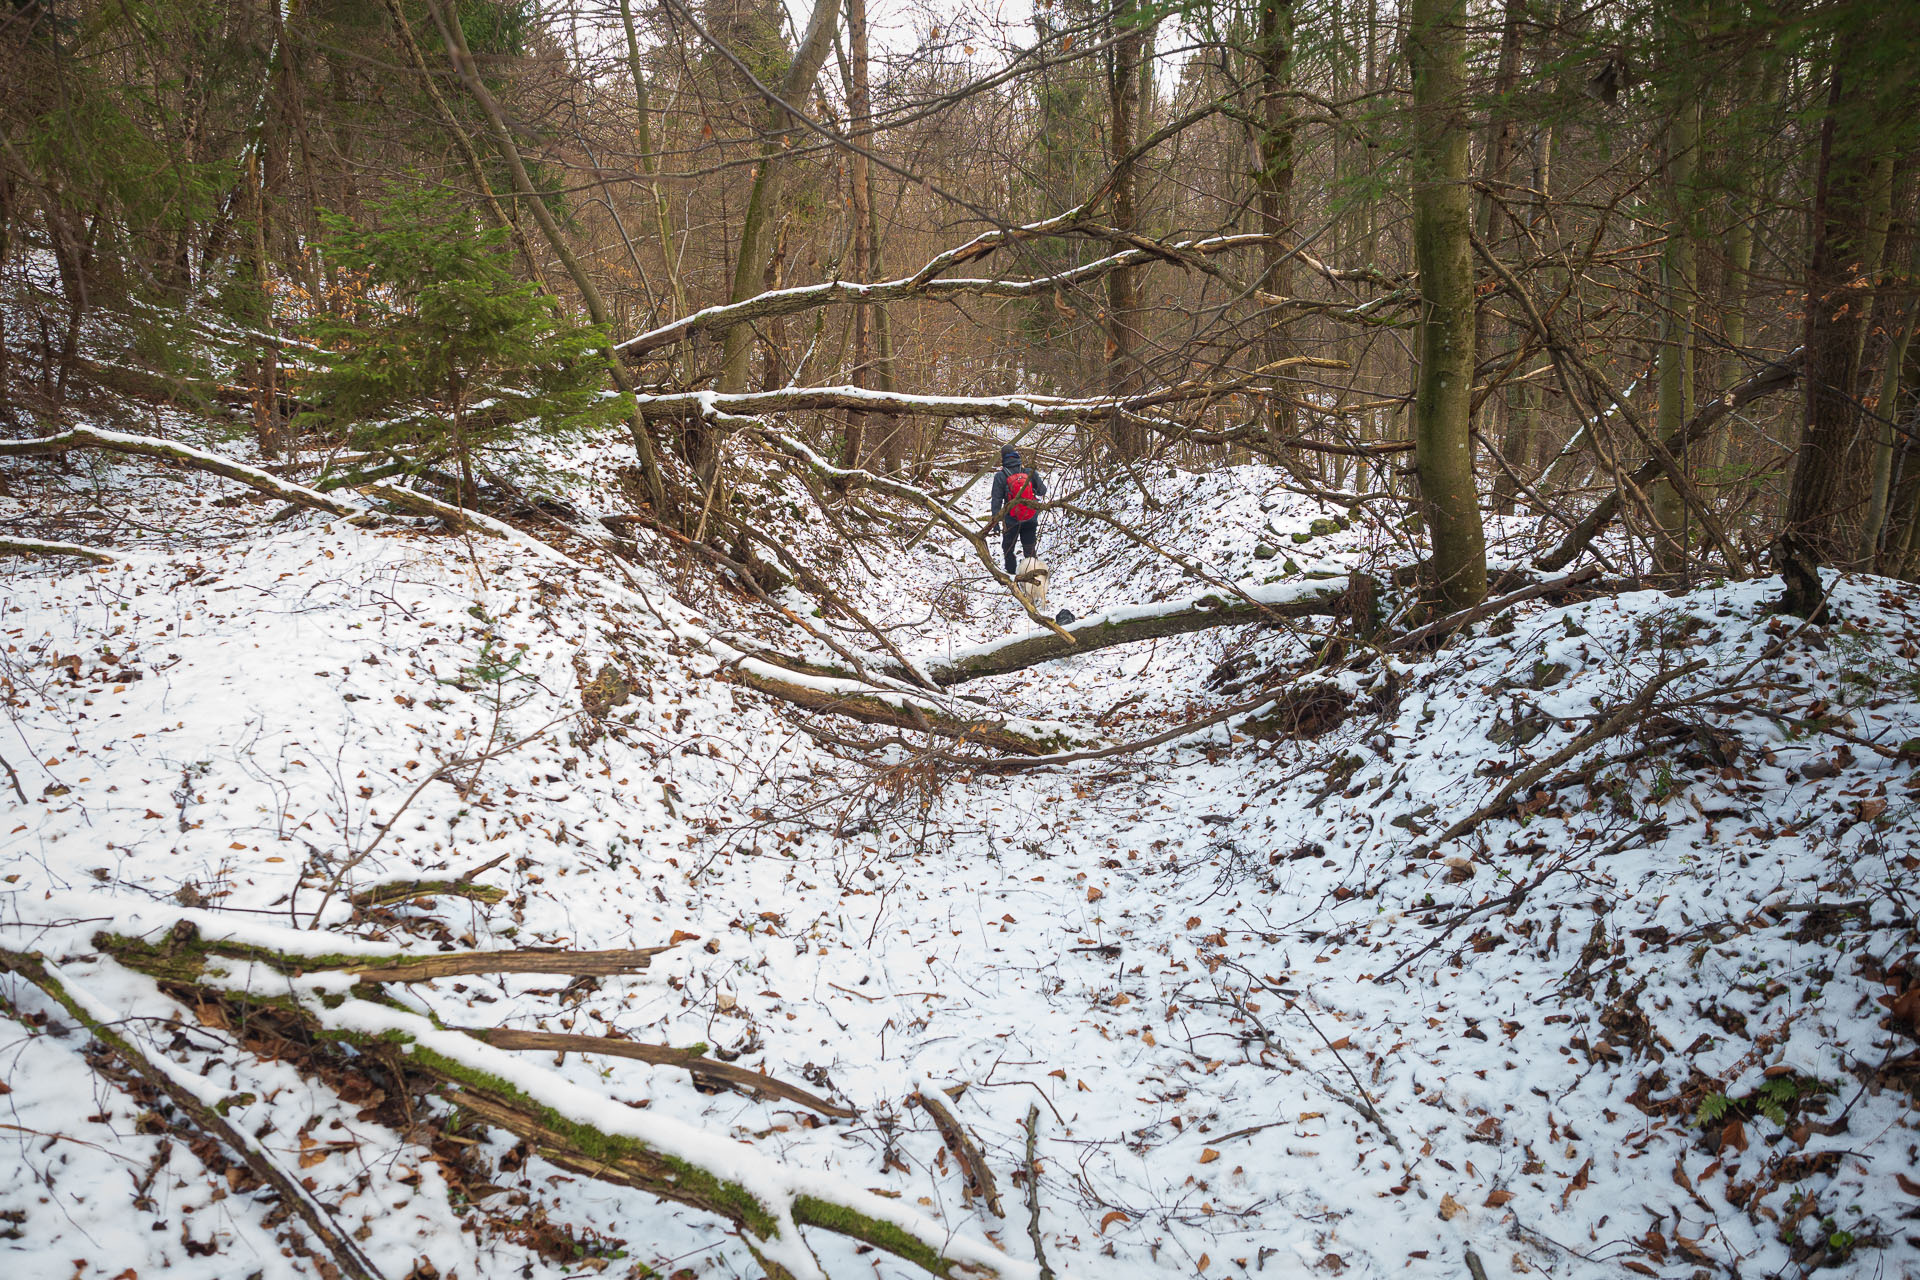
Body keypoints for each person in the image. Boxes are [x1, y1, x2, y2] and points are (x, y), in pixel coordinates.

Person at [986, 447, 1047, 575]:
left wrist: (995, 522)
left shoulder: (1000, 476)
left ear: (1003, 458)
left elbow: (996, 500)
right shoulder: (1029, 472)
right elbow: (1043, 491)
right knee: (1029, 548)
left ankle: (1012, 576)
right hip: (1030, 517)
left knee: (1008, 548)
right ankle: (1032, 576)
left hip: (1011, 519)